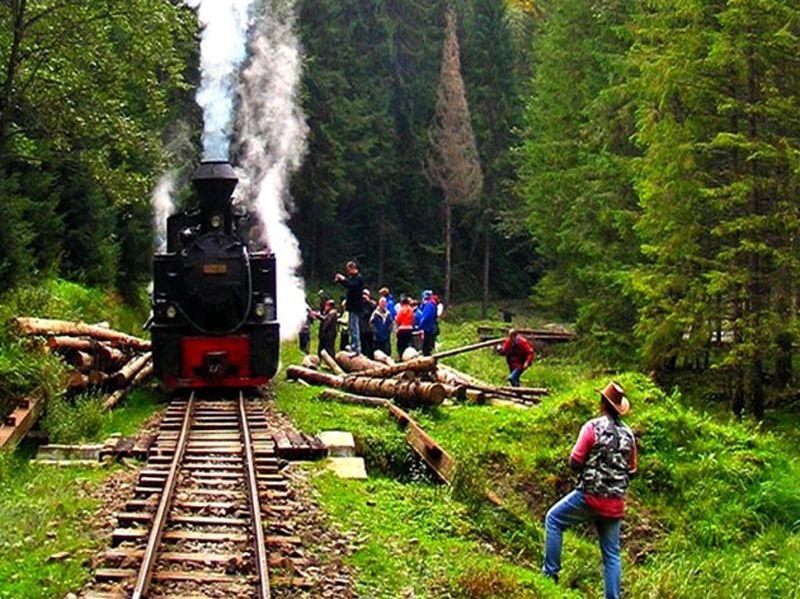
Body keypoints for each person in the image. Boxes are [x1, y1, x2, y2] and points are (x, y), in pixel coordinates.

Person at [542, 382, 637, 599]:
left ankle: (550, 575)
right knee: (612, 554)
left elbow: (575, 461)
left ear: (602, 403)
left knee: (554, 520)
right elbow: (632, 470)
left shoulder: (592, 427)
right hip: (615, 502)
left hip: (589, 495)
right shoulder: (629, 435)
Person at [335, 261, 365, 353]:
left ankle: (356, 347)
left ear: (352, 268)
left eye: (348, 269)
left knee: (354, 328)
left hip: (356, 307)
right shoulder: (353, 278)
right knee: (351, 328)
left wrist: (343, 279)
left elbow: (352, 285)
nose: (347, 272)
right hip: (352, 307)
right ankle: (353, 346)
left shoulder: (358, 278)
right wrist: (341, 281)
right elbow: (348, 285)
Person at [416, 290, 438, 356]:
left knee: (426, 348)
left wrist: (420, 325)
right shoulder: (431, 304)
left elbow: (426, 317)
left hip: (428, 329)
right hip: (429, 328)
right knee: (427, 347)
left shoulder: (429, 305)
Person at [360, 289, 377, 358]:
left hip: (370, 328)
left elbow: (374, 308)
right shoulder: (360, 304)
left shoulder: (371, 304)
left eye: (365, 294)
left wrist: (368, 301)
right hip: (362, 328)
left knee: (370, 345)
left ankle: (371, 357)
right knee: (363, 344)